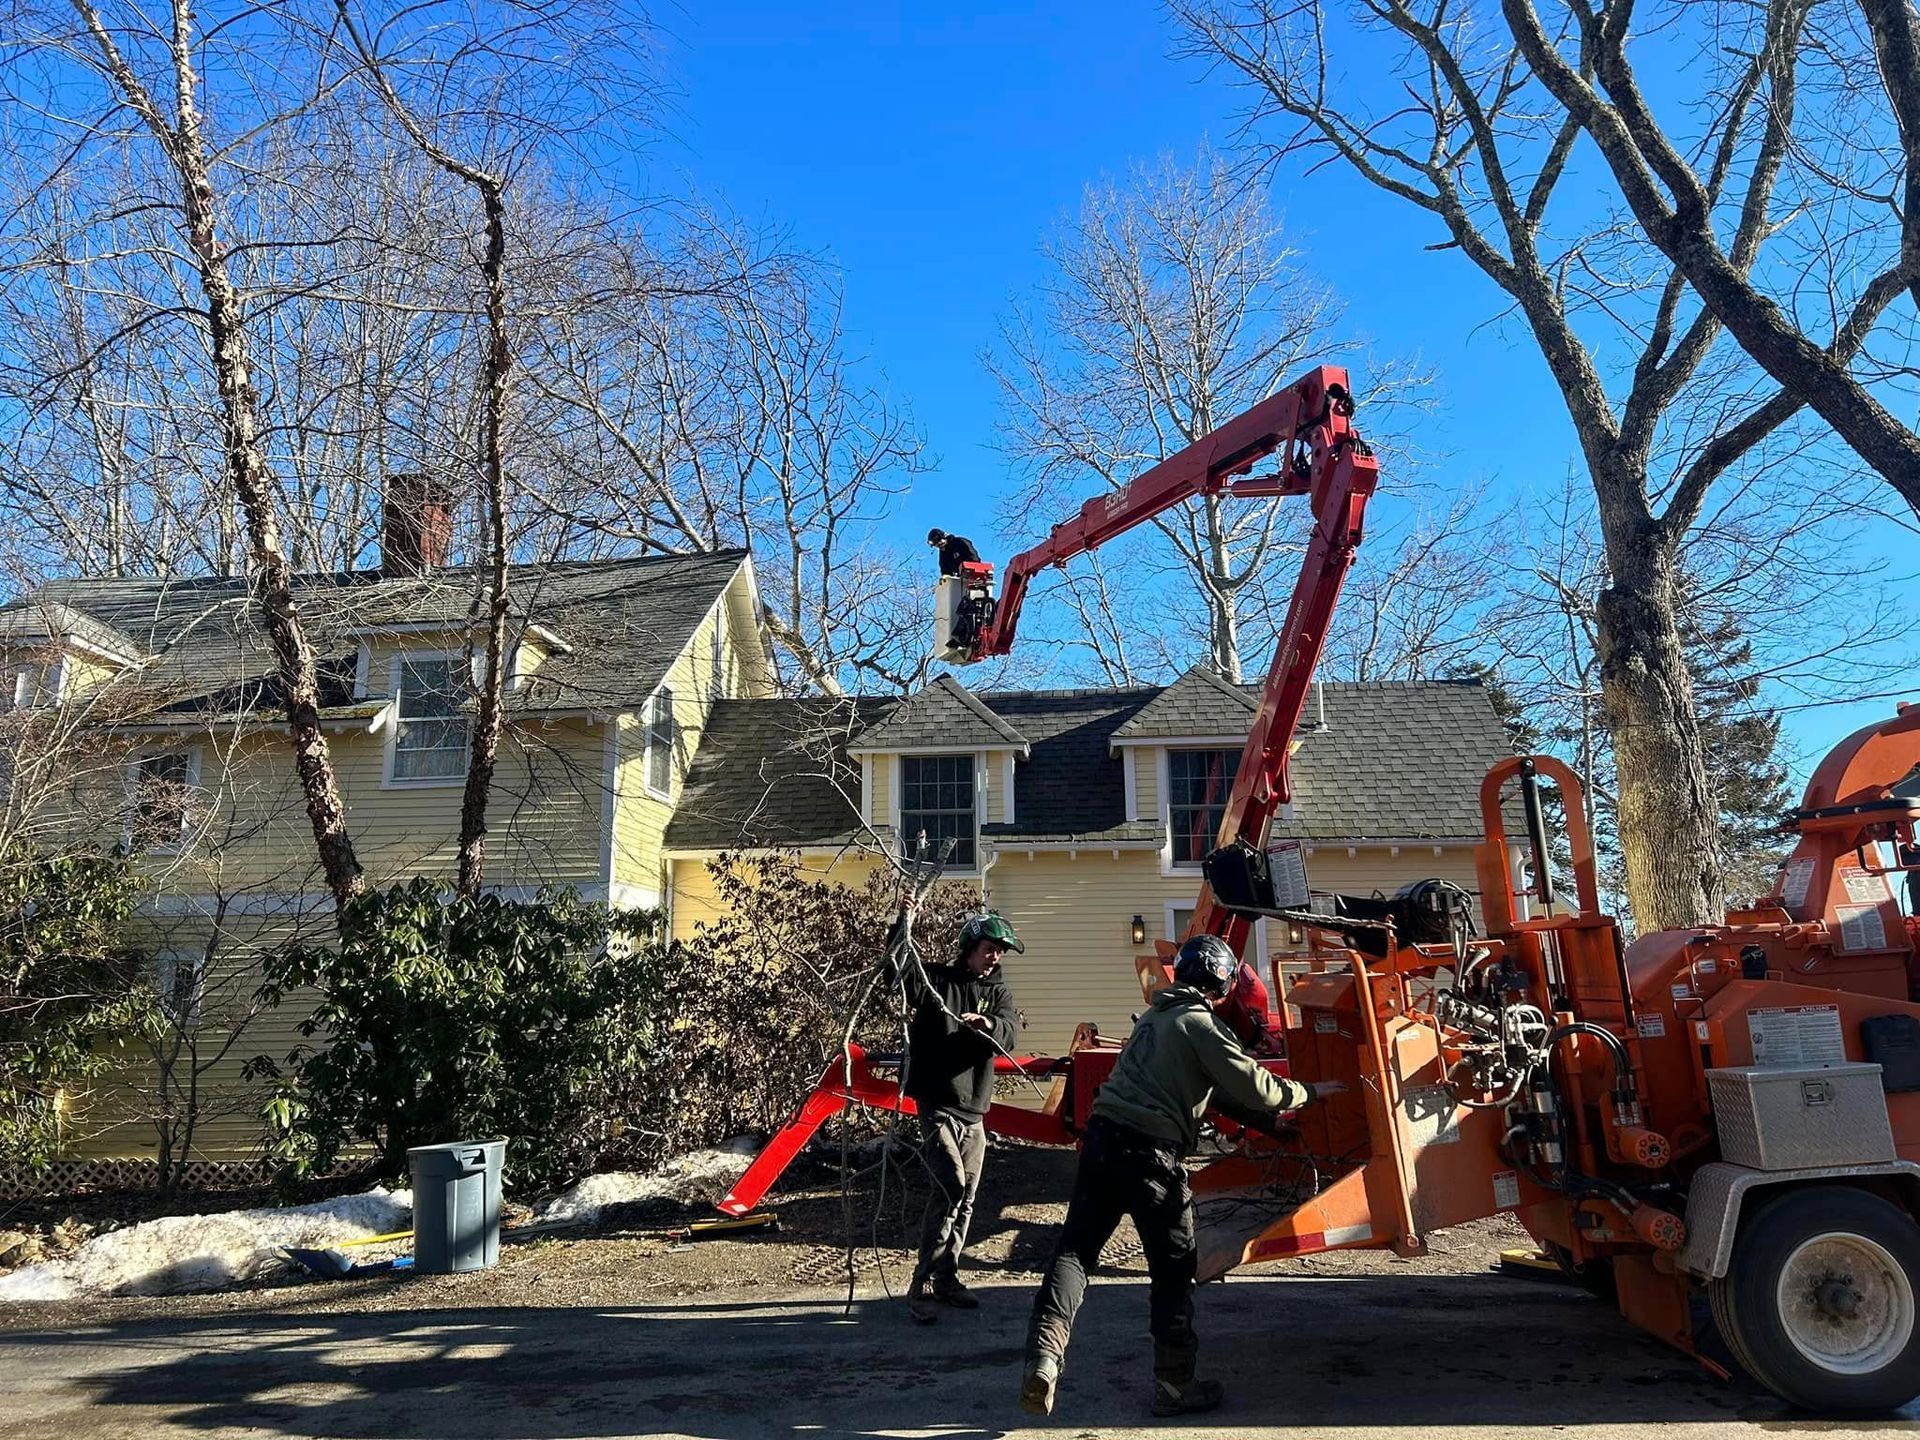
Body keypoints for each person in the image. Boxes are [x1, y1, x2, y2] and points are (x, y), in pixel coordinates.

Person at [1020, 934, 1345, 1418]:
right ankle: (1174, 1385)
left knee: (1075, 1252)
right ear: (1222, 982)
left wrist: (1266, 1129)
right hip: (1150, 1155)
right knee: (1174, 1269)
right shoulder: (1202, 1025)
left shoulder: (1156, 1017)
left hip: (1103, 1142)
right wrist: (1312, 1092)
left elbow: (1209, 1090)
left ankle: (1044, 1359)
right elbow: (1260, 1087)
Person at [898, 911, 1023, 1324]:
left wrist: (987, 1023)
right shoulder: (938, 981)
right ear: (969, 949)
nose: (994, 959)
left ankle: (947, 1278)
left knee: (966, 1197)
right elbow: (900, 973)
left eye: (1000, 953)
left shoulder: (999, 994)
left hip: (975, 1111)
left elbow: (1008, 1031)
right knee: (950, 1186)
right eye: (989, 950)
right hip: (937, 1103)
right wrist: (903, 922)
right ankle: (920, 1285)